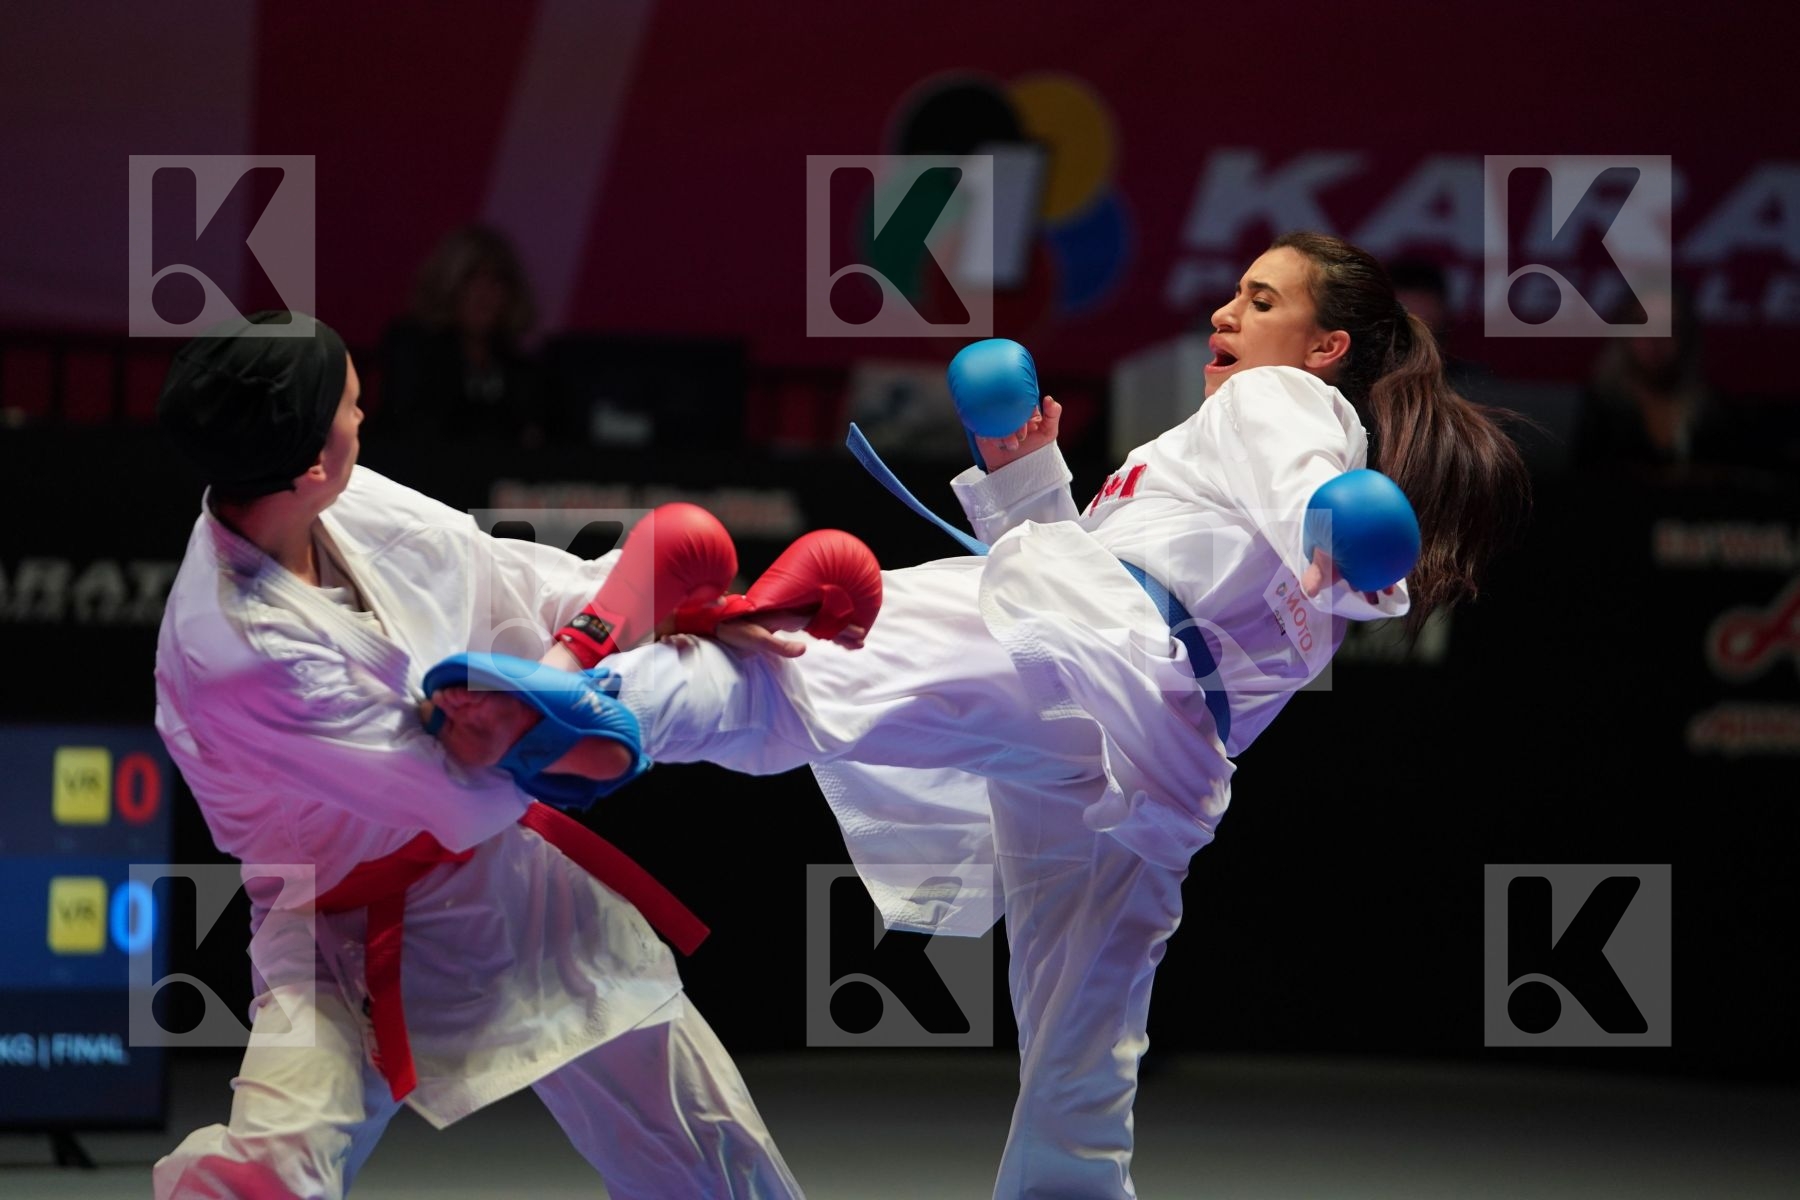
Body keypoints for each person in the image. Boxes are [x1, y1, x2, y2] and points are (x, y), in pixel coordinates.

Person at [427, 232, 1533, 1198]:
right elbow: (1203, 570)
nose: (1223, 312)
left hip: (1095, 665)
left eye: (1259, 298)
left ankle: (599, 708)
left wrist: (1338, 541)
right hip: (1148, 767)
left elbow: (1290, 522)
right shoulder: (1257, 452)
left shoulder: (1280, 402)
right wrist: (1026, 477)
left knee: (817, 668)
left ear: (1325, 346)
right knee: (1082, 1067)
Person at [151, 311, 804, 1198]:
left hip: (515, 894)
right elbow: (458, 798)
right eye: (350, 406)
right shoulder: (235, 651)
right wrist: (579, 665)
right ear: (310, 464)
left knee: (712, 1158)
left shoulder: (332, 497)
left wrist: (664, 607)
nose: (363, 419)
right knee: (265, 1175)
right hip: (342, 935)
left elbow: (497, 576)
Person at [379, 224, 547, 446]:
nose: (485, 293)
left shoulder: (520, 370)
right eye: (472, 278)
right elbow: (413, 429)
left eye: (496, 280)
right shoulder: (414, 351)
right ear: (448, 284)